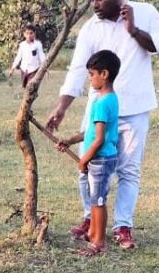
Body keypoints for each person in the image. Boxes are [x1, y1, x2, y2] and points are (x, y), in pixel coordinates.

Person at [44, 0, 159, 251]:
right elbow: (77, 71)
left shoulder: (145, 12)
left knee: (129, 170)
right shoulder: (92, 28)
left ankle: (122, 226)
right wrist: (61, 108)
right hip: (98, 109)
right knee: (85, 167)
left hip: (134, 108)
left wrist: (134, 30)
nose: (95, 4)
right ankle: (90, 218)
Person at [56, 50, 121, 257]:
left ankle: (99, 242)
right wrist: (69, 141)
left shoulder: (102, 103)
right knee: (95, 198)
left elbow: (99, 139)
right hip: (101, 157)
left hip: (101, 159)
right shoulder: (107, 99)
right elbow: (90, 133)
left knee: (98, 201)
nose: (90, 78)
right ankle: (93, 232)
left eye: (92, 74)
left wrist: (85, 159)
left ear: (104, 74)